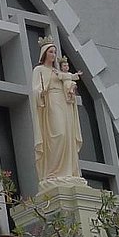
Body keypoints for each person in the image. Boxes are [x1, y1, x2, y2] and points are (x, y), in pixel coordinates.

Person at [31, 38, 83, 186]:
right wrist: (41, 91)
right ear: (44, 54)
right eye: (51, 52)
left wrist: (71, 91)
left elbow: (68, 85)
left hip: (64, 103)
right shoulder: (39, 70)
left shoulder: (58, 71)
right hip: (51, 103)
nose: (53, 55)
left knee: (67, 135)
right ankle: (52, 172)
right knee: (58, 134)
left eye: (54, 52)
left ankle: (67, 172)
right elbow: (35, 90)